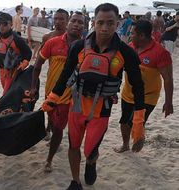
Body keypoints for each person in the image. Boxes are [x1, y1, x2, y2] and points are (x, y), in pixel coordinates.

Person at [42, 3, 145, 189]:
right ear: (94, 23)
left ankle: (91, 161)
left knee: (90, 149)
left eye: (110, 23)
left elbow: (138, 85)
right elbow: (65, 74)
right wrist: (53, 97)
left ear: (118, 23)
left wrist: (138, 121)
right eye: (100, 23)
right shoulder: (78, 47)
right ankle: (75, 181)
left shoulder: (125, 52)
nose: (105, 28)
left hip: (101, 110)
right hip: (77, 105)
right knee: (74, 145)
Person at [31, 12, 85, 173]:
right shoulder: (52, 42)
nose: (76, 24)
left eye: (80, 22)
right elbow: (38, 64)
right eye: (74, 21)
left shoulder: (87, 46)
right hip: (50, 92)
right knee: (52, 121)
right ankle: (52, 132)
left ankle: (49, 159)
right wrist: (34, 86)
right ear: (69, 23)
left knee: (59, 129)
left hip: (70, 97)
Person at [114, 20, 173, 153]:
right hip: (128, 93)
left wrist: (168, 102)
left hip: (148, 96)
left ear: (141, 35)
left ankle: (139, 136)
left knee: (137, 123)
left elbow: (168, 79)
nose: (130, 35)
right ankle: (125, 145)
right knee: (124, 121)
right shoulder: (130, 47)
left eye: (132, 33)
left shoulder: (160, 52)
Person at [41, 8, 69, 141]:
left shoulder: (74, 39)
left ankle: (56, 135)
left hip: (68, 84)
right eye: (55, 18)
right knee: (49, 107)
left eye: (61, 19)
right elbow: (40, 61)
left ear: (67, 21)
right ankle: (48, 128)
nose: (58, 22)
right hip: (51, 79)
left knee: (62, 112)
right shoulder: (48, 37)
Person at [0, 12, 32, 95]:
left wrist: (23, 65)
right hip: (1, 71)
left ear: (11, 24)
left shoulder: (16, 38)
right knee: (8, 93)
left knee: (6, 95)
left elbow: (28, 53)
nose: (1, 26)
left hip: (13, 72)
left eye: (4, 24)